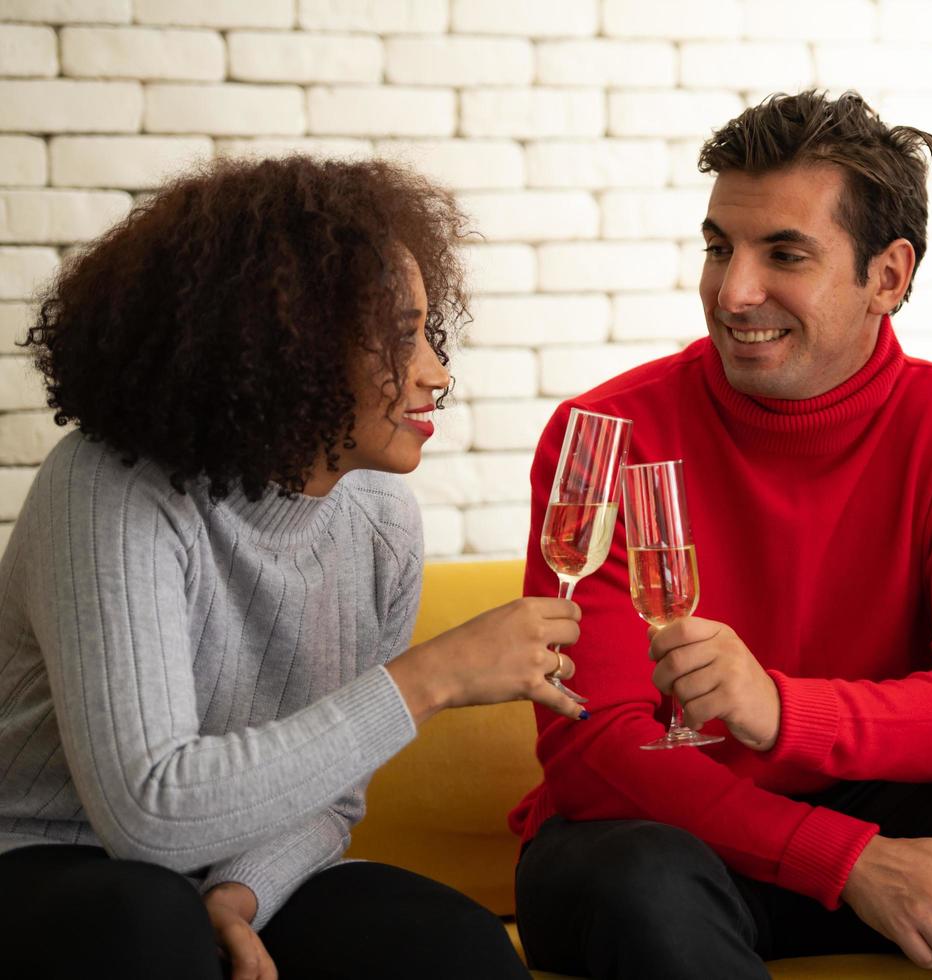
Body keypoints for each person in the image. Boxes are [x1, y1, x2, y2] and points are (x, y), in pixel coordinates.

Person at [511, 91, 932, 979]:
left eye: (784, 254)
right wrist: (841, 860)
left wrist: (783, 710)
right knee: (641, 876)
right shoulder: (604, 433)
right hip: (661, 838)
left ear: (888, 277)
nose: (734, 292)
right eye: (718, 248)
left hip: (873, 804)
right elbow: (594, 748)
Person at [0, 155, 585, 980]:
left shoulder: (381, 520)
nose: (436, 373)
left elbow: (332, 796)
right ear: (286, 347)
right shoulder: (109, 486)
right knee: (146, 923)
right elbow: (147, 813)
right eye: (398, 336)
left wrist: (240, 895)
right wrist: (430, 679)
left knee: (453, 949)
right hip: (43, 860)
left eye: (428, 331)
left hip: (224, 868)